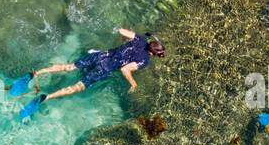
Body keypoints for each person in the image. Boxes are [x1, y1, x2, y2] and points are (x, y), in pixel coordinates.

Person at [17, 28, 164, 113]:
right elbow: (125, 70)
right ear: (154, 54)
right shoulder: (144, 61)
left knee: (68, 67)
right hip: (104, 69)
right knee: (77, 86)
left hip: (100, 55)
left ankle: (34, 74)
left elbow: (121, 30)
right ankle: (46, 97)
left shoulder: (139, 39)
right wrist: (133, 84)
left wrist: (122, 42)